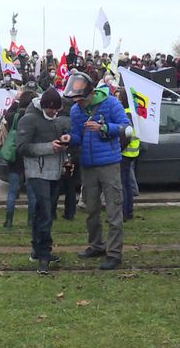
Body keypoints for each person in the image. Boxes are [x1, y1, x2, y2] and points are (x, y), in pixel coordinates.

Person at [65, 72, 130, 270]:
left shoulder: (111, 103)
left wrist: (104, 128)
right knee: (91, 209)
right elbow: (78, 136)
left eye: (82, 100)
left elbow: (126, 128)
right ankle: (96, 244)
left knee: (113, 210)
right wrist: (69, 139)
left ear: (91, 93)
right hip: (88, 165)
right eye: (76, 100)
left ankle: (114, 253)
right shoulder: (76, 110)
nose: (79, 103)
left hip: (109, 164)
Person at [17, 87, 68, 275]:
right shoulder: (29, 119)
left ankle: (37, 249)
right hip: (37, 173)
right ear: (43, 106)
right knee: (45, 214)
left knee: (43, 213)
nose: (54, 112)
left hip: (54, 172)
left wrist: (64, 141)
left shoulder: (54, 120)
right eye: (51, 109)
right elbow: (22, 148)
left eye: (56, 109)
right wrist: (49, 147)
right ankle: (45, 255)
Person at [2, 91, 38, 228]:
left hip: (15, 155)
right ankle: (31, 220)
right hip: (30, 154)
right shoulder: (35, 117)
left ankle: (9, 220)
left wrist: (15, 101)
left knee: (12, 191)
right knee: (31, 192)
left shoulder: (14, 116)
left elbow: (7, 114)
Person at [118, 89, 140, 222]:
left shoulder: (125, 115)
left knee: (123, 184)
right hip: (133, 152)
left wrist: (118, 149)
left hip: (125, 153)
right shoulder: (134, 113)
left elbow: (126, 136)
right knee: (127, 184)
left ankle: (125, 212)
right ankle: (129, 211)